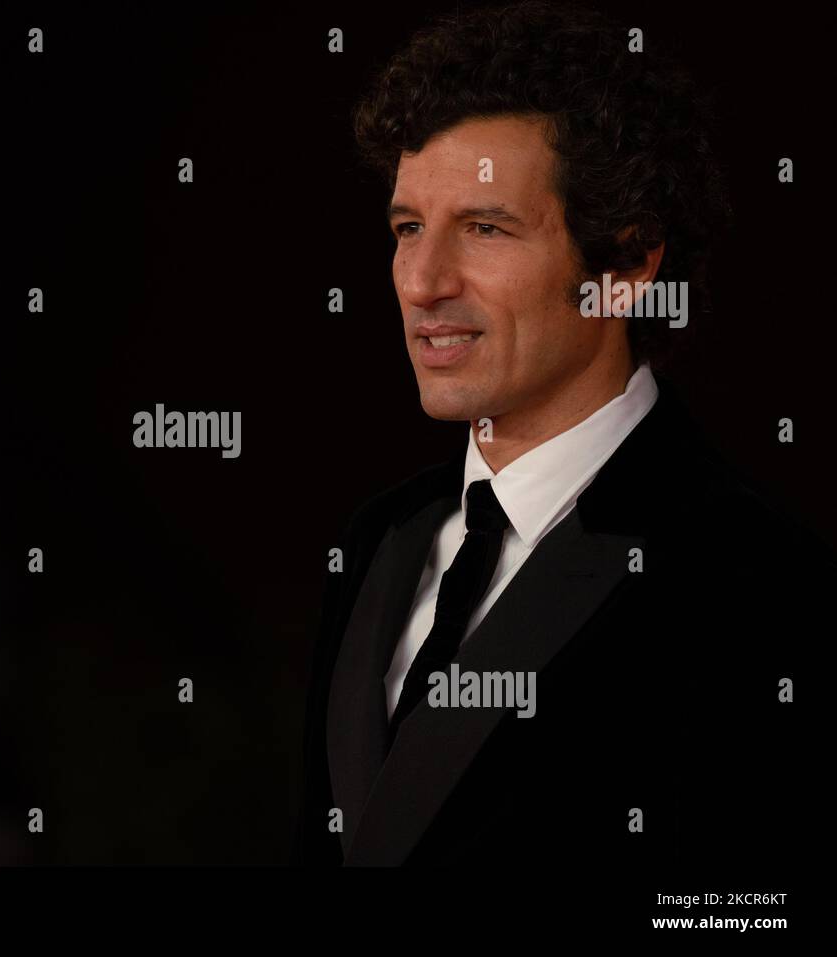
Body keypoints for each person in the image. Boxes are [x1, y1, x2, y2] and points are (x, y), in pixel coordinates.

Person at [295, 0, 831, 874]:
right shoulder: (376, 541)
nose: (423, 282)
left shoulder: (759, 580)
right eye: (406, 229)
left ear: (625, 265)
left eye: (484, 228)